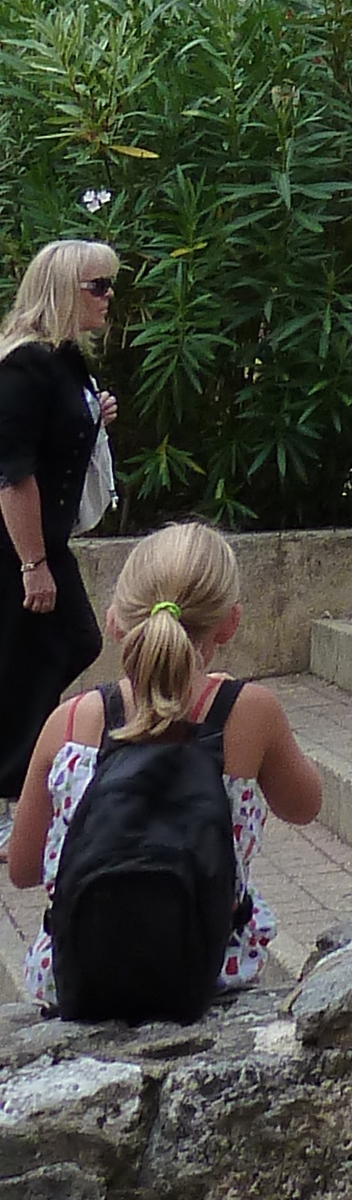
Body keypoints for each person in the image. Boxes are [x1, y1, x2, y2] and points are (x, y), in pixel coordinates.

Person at [9, 521, 321, 1018]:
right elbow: (305, 806)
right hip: (212, 974)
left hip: (75, 981)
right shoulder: (250, 711)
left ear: (115, 622)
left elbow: (24, 870)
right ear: (230, 623)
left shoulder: (68, 720)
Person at [0, 239, 121, 799]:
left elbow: (64, 426)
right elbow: (13, 473)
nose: (109, 296)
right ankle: (13, 793)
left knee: (67, 643)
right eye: (97, 286)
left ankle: (25, 774)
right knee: (43, 651)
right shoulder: (27, 363)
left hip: (44, 539)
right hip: (18, 542)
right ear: (63, 291)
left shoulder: (65, 358)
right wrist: (33, 564)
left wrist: (97, 413)